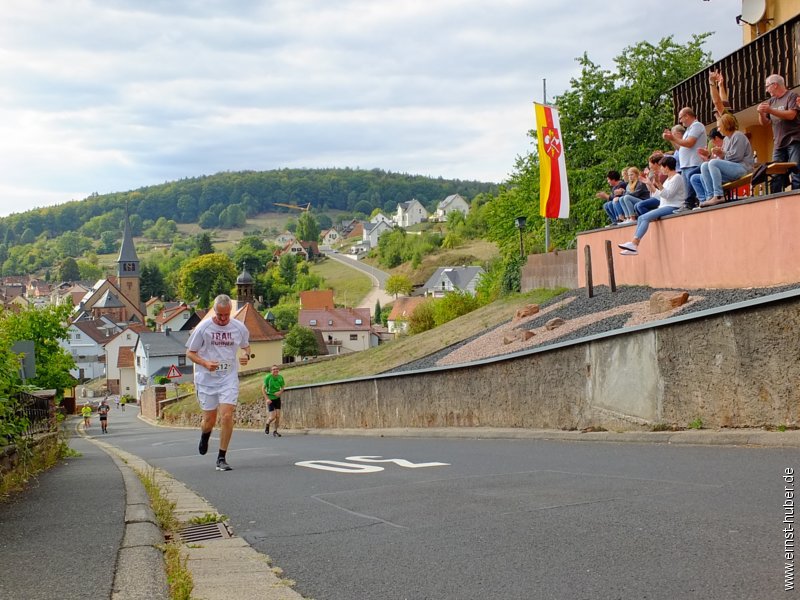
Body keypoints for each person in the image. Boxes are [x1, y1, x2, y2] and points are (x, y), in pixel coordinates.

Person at [186, 294, 251, 472]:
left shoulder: (238, 327)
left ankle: (221, 457)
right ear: (214, 311)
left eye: (226, 315)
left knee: (227, 415)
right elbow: (190, 353)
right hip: (207, 380)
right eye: (220, 315)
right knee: (209, 420)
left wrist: (246, 356)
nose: (223, 319)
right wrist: (206, 363)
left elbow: (246, 346)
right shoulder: (203, 328)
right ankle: (205, 435)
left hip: (228, 377)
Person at [618, 155, 686, 256]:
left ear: (666, 167)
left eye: (662, 167)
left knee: (644, 217)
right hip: (665, 205)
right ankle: (634, 245)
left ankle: (634, 244)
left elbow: (668, 195)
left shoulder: (677, 178)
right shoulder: (668, 179)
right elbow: (660, 196)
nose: (661, 169)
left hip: (674, 206)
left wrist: (658, 183)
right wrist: (649, 184)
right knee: (641, 217)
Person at [691, 113, 754, 208]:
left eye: (719, 127)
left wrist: (722, 154)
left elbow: (737, 157)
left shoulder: (738, 136)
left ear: (726, 125)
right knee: (705, 166)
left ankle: (719, 195)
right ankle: (710, 196)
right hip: (733, 169)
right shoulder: (726, 140)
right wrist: (711, 155)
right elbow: (723, 159)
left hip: (743, 168)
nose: (719, 130)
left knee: (712, 163)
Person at [758, 74, 800, 192]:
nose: (766, 90)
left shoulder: (791, 96)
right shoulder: (771, 101)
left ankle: (796, 200)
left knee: (796, 171)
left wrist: (770, 110)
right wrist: (761, 113)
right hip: (778, 143)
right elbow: (765, 123)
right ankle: (775, 201)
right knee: (775, 173)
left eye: (767, 86)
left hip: (794, 140)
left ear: (775, 85)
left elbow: (792, 115)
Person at [663, 107, 706, 210]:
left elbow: (689, 143)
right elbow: (680, 147)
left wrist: (673, 138)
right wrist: (671, 139)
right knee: (688, 191)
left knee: (691, 190)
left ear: (687, 116)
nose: (680, 121)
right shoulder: (688, 130)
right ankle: (689, 205)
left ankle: (694, 204)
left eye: (681, 118)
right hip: (686, 165)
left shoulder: (697, 125)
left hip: (693, 163)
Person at [262, 365, 285, 438]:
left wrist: (280, 392)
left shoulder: (280, 377)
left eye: (277, 369)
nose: (275, 370)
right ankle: (267, 424)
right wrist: (267, 399)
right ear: (271, 371)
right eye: (273, 369)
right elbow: (263, 389)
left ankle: (275, 431)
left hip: (277, 399)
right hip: (270, 399)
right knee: (272, 417)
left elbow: (283, 387)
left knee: (278, 416)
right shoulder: (268, 377)